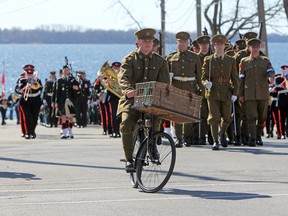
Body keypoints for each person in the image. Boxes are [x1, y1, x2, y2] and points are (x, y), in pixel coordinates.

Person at [117, 28, 169, 172]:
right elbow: (123, 77)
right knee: (126, 123)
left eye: (150, 41)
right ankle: (128, 159)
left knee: (157, 116)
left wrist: (161, 96)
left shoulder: (160, 62)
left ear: (153, 44)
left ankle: (152, 144)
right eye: (144, 41)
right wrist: (128, 91)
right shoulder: (129, 59)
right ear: (138, 42)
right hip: (132, 99)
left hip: (151, 100)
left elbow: (165, 84)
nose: (147, 44)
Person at [202, 34, 239, 150]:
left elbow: (235, 78)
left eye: (221, 44)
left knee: (227, 117)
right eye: (216, 44)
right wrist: (205, 83)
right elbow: (203, 77)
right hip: (212, 92)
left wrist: (235, 93)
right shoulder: (208, 60)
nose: (218, 46)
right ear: (214, 46)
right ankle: (216, 141)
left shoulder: (231, 60)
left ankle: (222, 133)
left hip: (226, 91)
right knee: (214, 117)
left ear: (224, 46)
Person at [166, 31, 203, 147]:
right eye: (180, 42)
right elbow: (165, 75)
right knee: (177, 114)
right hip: (176, 87)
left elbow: (199, 75)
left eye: (184, 42)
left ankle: (186, 137)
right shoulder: (171, 58)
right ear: (177, 43)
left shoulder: (194, 57)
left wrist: (202, 90)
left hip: (190, 87)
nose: (182, 44)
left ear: (187, 43)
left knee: (187, 113)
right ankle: (178, 138)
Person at [239, 38, 275, 146]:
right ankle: (253, 138)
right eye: (253, 47)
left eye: (257, 47)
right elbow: (241, 79)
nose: (255, 49)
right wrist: (240, 94)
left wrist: (271, 78)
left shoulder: (265, 61)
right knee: (251, 116)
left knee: (262, 117)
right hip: (249, 93)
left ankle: (259, 135)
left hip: (262, 93)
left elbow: (271, 71)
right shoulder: (244, 62)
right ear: (249, 48)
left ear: (259, 48)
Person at [14, 64, 42, 139]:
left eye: (31, 73)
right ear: (25, 73)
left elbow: (40, 88)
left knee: (35, 117)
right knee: (27, 117)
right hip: (26, 101)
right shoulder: (21, 80)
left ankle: (32, 131)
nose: (30, 75)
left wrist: (34, 83)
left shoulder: (37, 80)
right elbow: (17, 90)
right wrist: (26, 86)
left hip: (35, 100)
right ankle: (27, 132)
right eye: (28, 73)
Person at [196, 35, 214, 145]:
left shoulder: (213, 58)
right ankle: (201, 137)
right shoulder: (195, 58)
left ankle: (212, 137)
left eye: (206, 44)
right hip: (199, 90)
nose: (204, 46)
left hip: (212, 90)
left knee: (212, 115)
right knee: (201, 116)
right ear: (199, 45)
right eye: (202, 44)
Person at [55, 66, 79, 139]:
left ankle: (70, 131)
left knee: (71, 117)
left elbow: (77, 86)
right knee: (63, 117)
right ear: (62, 71)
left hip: (70, 101)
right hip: (62, 101)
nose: (66, 71)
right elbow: (57, 92)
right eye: (64, 70)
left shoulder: (72, 79)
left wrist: (74, 80)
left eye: (67, 70)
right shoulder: (59, 81)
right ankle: (64, 132)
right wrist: (56, 102)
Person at [107, 61, 121, 138]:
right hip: (113, 98)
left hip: (121, 97)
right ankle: (115, 131)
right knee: (114, 115)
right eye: (114, 68)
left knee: (120, 115)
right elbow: (107, 89)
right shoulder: (109, 77)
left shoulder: (122, 76)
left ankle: (119, 130)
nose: (116, 69)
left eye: (117, 68)